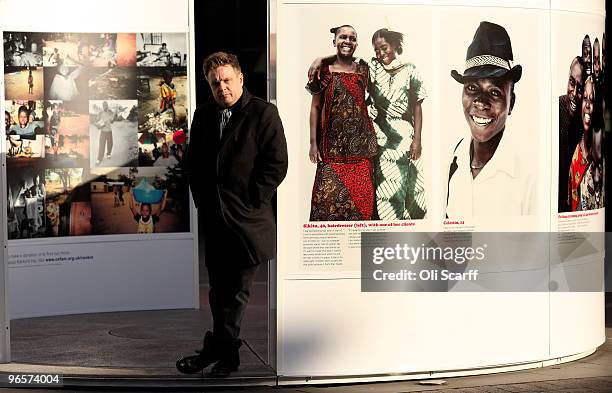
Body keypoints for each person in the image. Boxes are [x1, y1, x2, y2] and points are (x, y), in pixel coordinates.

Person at [178, 52, 287, 377]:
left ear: (240, 78)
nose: (221, 87)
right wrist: (205, 202)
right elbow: (193, 164)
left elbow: (276, 164)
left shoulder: (263, 113)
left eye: (226, 80)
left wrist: (252, 199)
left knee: (235, 294)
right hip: (216, 221)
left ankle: (216, 350)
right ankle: (227, 355)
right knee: (218, 293)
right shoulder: (203, 115)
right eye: (215, 83)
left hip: (248, 222)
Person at [445, 21, 534, 218]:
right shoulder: (452, 161)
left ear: (511, 104)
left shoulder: (529, 177)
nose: (480, 103)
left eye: (494, 92)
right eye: (471, 88)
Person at [307, 25, 377, 221]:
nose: (348, 41)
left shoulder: (364, 69)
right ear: (334, 42)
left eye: (352, 38)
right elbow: (315, 107)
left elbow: (374, 97)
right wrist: (313, 143)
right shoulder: (322, 70)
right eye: (343, 37)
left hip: (361, 150)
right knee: (326, 208)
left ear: (357, 44)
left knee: (362, 208)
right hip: (331, 150)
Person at [369, 28, 427, 220]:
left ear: (394, 45)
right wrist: (320, 60)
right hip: (381, 139)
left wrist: (417, 140)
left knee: (409, 187)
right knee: (386, 189)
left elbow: (417, 107)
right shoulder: (373, 69)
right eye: (376, 50)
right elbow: (347, 62)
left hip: (405, 138)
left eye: (384, 47)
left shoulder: (411, 69)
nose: (380, 53)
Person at [558, 56, 586, 212]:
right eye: (572, 83)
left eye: (580, 88)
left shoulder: (587, 125)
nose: (574, 93)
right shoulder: (555, 109)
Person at [569, 76, 595, 211]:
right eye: (585, 98)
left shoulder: (599, 153)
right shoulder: (576, 151)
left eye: (592, 99)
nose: (588, 105)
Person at [94, 101, 116, 165]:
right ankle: (99, 159)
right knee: (101, 145)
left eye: (106, 105)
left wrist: (114, 116)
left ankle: (108, 153)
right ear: (102, 106)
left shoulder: (110, 112)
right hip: (103, 131)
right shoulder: (100, 112)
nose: (105, 106)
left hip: (109, 131)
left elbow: (112, 121)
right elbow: (97, 120)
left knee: (110, 144)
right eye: (104, 105)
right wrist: (98, 122)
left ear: (107, 105)